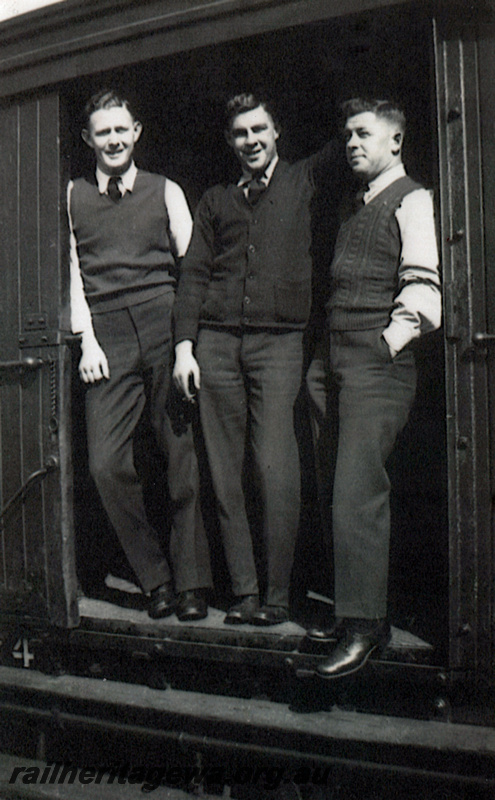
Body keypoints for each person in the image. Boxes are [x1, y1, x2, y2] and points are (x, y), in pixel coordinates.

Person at [173, 92, 345, 626]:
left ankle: (278, 594)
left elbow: (346, 143)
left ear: (277, 134)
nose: (251, 141)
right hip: (217, 345)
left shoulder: (305, 181)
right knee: (225, 473)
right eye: (241, 133)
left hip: (280, 345)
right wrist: (185, 347)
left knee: (275, 468)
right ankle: (245, 592)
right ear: (230, 141)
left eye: (259, 130)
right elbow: (195, 275)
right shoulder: (215, 200)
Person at [307, 98, 442, 678]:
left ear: (396, 141)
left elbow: (425, 290)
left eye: (364, 134)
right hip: (331, 361)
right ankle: (349, 611)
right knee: (332, 487)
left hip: (375, 363)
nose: (352, 144)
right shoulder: (350, 204)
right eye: (347, 136)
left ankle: (366, 626)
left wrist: (385, 343)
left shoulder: (412, 199)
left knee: (357, 494)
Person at [68, 89, 212, 622]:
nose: (112, 140)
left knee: (181, 456)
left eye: (120, 130)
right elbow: (70, 278)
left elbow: (193, 269)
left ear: (137, 132)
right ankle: (156, 579)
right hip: (106, 334)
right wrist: (87, 341)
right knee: (106, 464)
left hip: (162, 318)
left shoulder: (166, 190)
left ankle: (193, 583)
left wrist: (186, 344)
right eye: (102, 132)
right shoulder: (72, 195)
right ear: (88, 139)